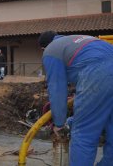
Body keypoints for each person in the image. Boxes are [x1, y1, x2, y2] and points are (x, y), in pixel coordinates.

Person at [38, 31, 113, 166]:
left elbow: (57, 89)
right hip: (105, 68)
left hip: (98, 74)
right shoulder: (77, 39)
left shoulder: (50, 50)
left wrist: (59, 124)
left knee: (84, 134)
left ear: (43, 48)